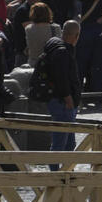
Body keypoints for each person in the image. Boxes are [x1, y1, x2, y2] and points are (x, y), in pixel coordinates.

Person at [29, 21, 82, 153]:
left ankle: (66, 171)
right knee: (62, 143)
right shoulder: (63, 52)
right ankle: (57, 172)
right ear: (76, 36)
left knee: (66, 142)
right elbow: (62, 79)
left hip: (57, 100)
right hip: (63, 102)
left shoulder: (54, 47)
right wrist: (69, 99)